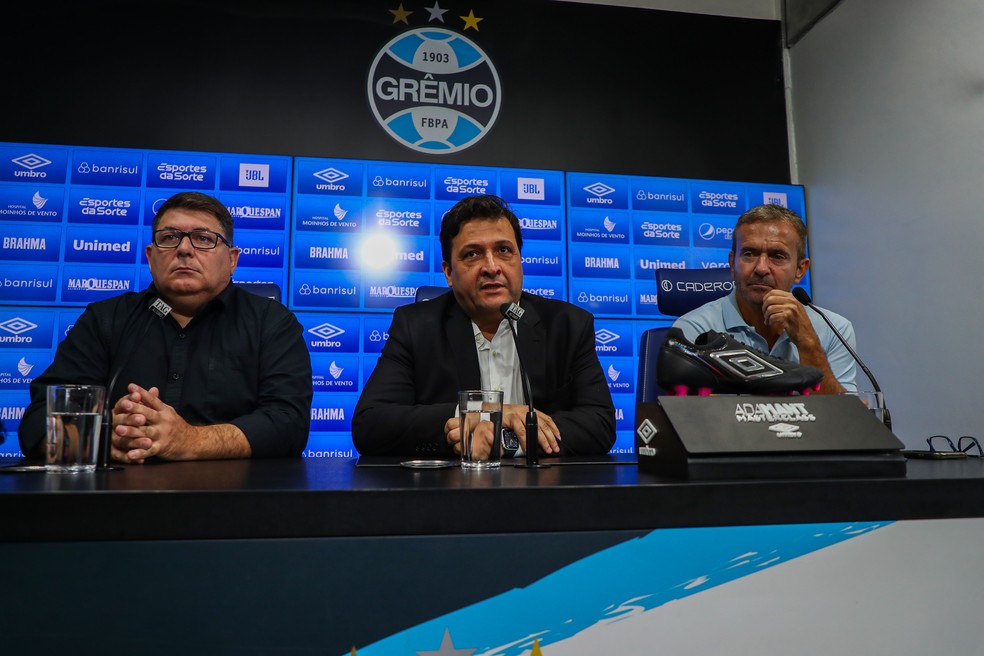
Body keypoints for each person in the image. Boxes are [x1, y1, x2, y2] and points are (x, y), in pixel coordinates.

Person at [19, 191, 312, 463]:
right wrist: (102, 438)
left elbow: (289, 424)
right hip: (116, 496)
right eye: (170, 237)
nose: (184, 249)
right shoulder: (104, 319)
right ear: (150, 256)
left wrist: (191, 440)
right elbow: (37, 422)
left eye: (203, 238)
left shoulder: (272, 323)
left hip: (233, 497)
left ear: (232, 259)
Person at [352, 194, 616, 457]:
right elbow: (370, 423)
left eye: (504, 250)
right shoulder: (416, 326)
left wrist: (507, 440)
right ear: (448, 273)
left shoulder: (567, 325)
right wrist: (481, 414)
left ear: (520, 260)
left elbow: (599, 424)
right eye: (472, 254)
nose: (491, 267)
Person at [673, 203, 856, 394]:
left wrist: (808, 343)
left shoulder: (836, 330)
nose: (761, 268)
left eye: (777, 256)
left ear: (800, 270)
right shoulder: (694, 329)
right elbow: (691, 410)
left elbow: (842, 411)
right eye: (749, 254)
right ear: (732, 263)